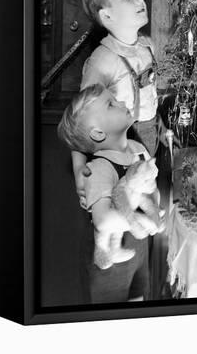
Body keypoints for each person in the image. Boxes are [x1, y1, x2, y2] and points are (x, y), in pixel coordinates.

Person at [72, 0, 175, 206]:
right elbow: (80, 118)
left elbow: (149, 90)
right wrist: (79, 168)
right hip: (121, 140)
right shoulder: (103, 60)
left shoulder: (146, 46)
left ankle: (143, 228)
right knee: (120, 205)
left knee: (145, 197)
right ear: (107, 16)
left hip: (149, 134)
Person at [58, 84, 160, 303]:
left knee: (139, 296)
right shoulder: (99, 168)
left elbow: (149, 189)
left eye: (116, 99)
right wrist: (139, 221)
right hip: (109, 260)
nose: (122, 102)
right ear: (97, 133)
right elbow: (103, 221)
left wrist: (154, 208)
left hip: (137, 248)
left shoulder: (137, 150)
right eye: (111, 104)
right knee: (110, 311)